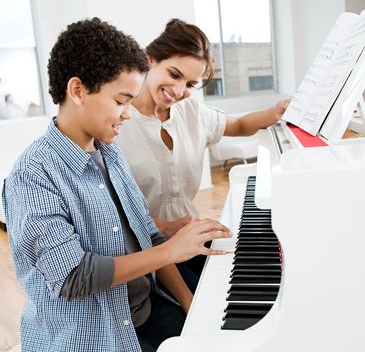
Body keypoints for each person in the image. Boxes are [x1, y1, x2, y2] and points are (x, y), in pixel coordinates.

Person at [2, 18, 231, 352]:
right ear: (78, 90)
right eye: (121, 100)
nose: (128, 114)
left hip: (145, 312)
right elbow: (75, 276)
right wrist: (170, 249)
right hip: (94, 337)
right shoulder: (33, 176)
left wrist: (189, 305)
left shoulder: (110, 153)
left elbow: (149, 238)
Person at [115, 18, 290, 288]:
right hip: (141, 250)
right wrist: (162, 226)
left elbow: (240, 125)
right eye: (174, 75)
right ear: (150, 60)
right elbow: (110, 206)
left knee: (241, 279)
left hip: (189, 237)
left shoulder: (192, 112)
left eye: (189, 84)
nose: (179, 91)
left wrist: (275, 112)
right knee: (199, 303)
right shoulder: (117, 121)